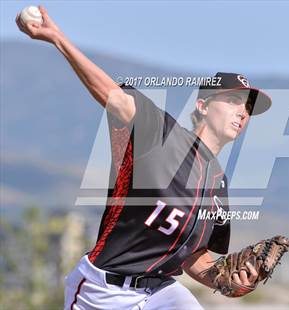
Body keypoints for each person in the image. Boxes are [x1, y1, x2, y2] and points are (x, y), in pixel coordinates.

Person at [16, 6, 273, 310]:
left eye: (248, 107)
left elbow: (193, 256)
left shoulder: (218, 183)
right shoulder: (162, 134)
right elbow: (111, 95)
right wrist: (57, 38)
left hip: (160, 291)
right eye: (233, 100)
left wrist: (228, 278)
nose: (242, 112)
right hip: (102, 290)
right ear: (203, 106)